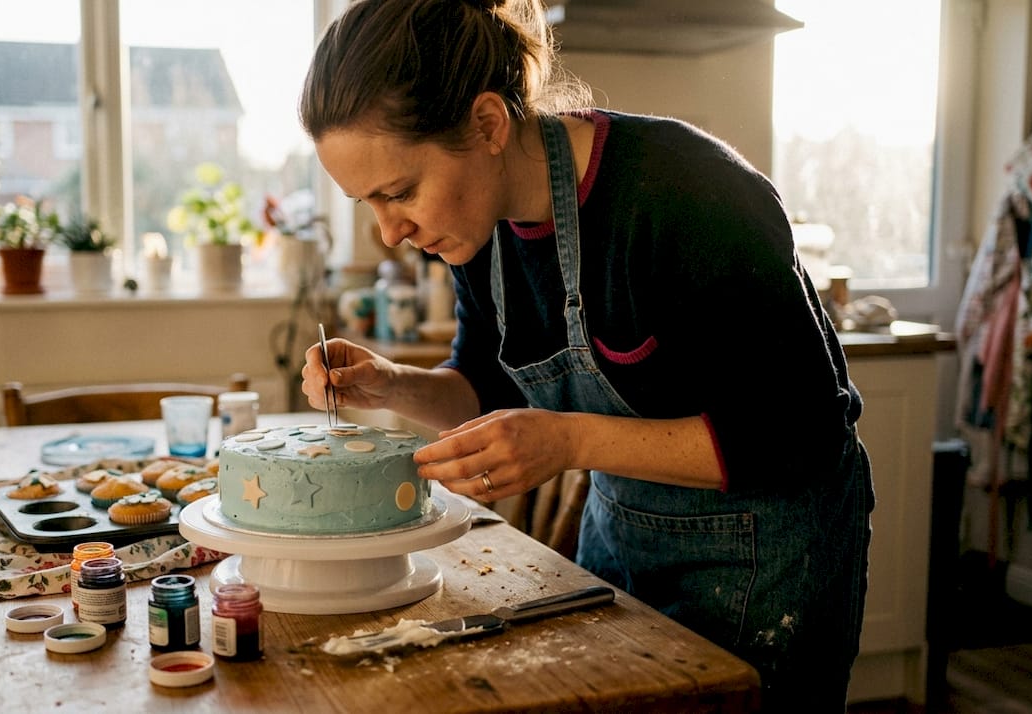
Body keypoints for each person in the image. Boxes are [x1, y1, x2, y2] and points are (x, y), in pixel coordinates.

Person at [298, 1, 872, 710]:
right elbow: (483, 382)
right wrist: (390, 386)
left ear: (486, 125)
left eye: (401, 192)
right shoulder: (480, 229)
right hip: (623, 537)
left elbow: (790, 433)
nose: (389, 232)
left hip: (769, 555)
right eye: (369, 204)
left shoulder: (684, 194)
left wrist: (566, 439)